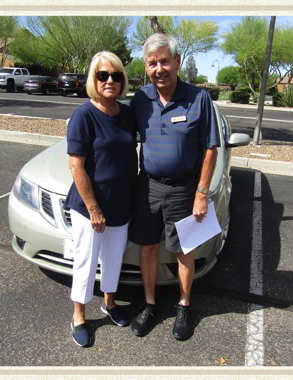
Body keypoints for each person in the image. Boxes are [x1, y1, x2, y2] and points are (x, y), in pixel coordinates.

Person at [129, 33, 220, 341]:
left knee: (184, 251)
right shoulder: (141, 99)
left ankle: (183, 306)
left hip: (185, 189)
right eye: (153, 63)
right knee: (148, 248)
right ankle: (150, 304)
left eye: (165, 61)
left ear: (177, 62)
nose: (159, 69)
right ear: (146, 66)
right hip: (149, 187)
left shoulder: (199, 98)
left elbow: (211, 148)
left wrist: (201, 194)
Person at [63, 51, 137, 347]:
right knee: (86, 260)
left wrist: (132, 190)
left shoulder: (127, 113)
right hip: (89, 206)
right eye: (103, 75)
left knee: (113, 259)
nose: (110, 80)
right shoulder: (84, 115)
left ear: (123, 81)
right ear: (93, 79)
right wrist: (94, 208)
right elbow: (76, 165)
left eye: (116, 76)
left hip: (121, 203)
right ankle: (79, 314)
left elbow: (131, 155)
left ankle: (109, 302)